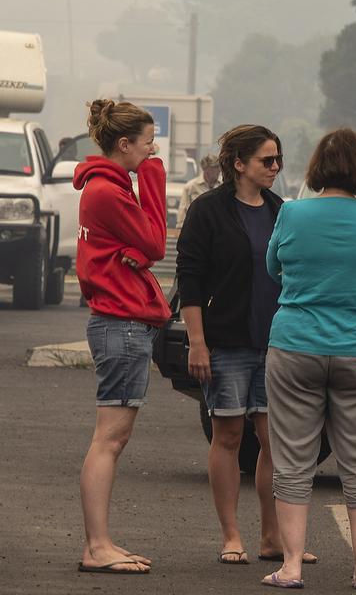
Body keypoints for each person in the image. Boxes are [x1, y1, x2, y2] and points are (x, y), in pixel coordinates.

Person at [263, 127, 356, 590]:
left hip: (296, 343)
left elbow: (273, 267)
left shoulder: (292, 213)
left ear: (318, 165)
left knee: (294, 458)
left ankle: (292, 565)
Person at [176, 126, 312, 567]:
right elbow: (190, 279)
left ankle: (273, 537)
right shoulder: (208, 211)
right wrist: (197, 342)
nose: (276, 168)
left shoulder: (280, 210)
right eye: (267, 161)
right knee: (229, 435)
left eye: (278, 160)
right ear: (239, 165)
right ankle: (231, 535)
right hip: (226, 341)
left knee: (274, 442)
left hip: (276, 342)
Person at [73, 98, 170, 575]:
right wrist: (152, 177)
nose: (153, 150)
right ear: (125, 143)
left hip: (120, 322)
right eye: (148, 142)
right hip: (121, 323)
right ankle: (97, 546)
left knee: (110, 438)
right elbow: (155, 242)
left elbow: (144, 247)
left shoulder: (104, 187)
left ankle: (100, 543)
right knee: (109, 440)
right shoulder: (110, 191)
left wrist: (139, 249)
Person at [178, 153, 221, 225]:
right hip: (197, 227)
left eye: (219, 167)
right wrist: (180, 227)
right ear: (206, 169)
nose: (219, 170)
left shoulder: (223, 186)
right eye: (215, 167)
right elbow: (183, 210)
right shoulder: (191, 186)